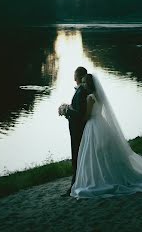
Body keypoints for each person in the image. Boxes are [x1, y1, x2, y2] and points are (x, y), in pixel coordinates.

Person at [70, 73, 142, 199]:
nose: (83, 85)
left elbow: (87, 116)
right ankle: (109, 174)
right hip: (101, 123)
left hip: (93, 125)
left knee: (94, 152)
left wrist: (71, 111)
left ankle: (99, 178)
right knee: (102, 152)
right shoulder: (99, 96)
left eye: (85, 82)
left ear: (89, 84)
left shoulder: (90, 97)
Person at [58, 66, 88, 196]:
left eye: (74, 74)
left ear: (77, 76)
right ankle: (77, 183)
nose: (73, 77)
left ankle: (74, 186)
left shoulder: (81, 91)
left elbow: (80, 114)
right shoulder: (82, 90)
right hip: (77, 128)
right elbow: (78, 109)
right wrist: (68, 110)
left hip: (77, 130)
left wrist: (67, 110)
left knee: (76, 157)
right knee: (78, 157)